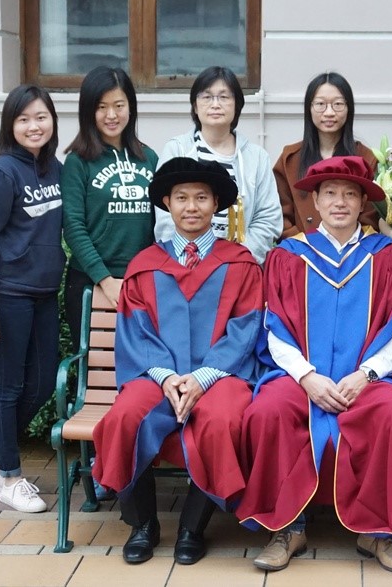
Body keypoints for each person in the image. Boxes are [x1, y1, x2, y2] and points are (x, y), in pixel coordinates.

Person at [236, 156, 392, 574]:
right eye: (330, 194)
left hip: (366, 377)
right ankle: (286, 528)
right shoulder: (288, 256)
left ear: (363, 204)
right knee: (267, 411)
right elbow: (274, 328)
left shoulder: (389, 258)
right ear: (315, 202)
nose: (340, 202)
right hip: (300, 376)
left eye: (350, 194)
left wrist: (367, 375)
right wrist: (307, 377)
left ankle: (380, 532)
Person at [92, 157, 263, 564]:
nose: (191, 207)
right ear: (166, 202)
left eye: (201, 197)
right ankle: (143, 525)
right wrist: (168, 378)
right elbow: (136, 330)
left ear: (216, 203)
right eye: (182, 197)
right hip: (157, 376)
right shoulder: (144, 264)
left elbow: (245, 330)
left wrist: (202, 378)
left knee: (221, 420)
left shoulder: (239, 263)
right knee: (124, 417)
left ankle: (192, 527)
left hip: (221, 376)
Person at [0, 84, 65, 513]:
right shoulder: (2, 172)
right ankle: (8, 476)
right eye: (23, 118)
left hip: (44, 293)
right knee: (8, 388)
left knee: (43, 383)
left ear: (52, 121)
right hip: (9, 294)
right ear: (11, 124)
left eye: (41, 117)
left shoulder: (54, 168)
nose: (33, 125)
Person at [60, 66, 158, 350]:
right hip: (90, 284)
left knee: (141, 366)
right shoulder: (78, 162)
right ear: (88, 111)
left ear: (131, 107)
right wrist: (104, 278)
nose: (111, 115)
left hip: (140, 282)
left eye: (119, 105)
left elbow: (160, 223)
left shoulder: (148, 158)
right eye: (101, 107)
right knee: (97, 371)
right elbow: (74, 227)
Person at [272, 72, 392, 255]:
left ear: (349, 108)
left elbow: (372, 214)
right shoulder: (291, 159)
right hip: (303, 256)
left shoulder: (366, 157)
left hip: (353, 257)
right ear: (309, 108)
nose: (329, 112)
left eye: (338, 104)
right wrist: (304, 248)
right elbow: (280, 215)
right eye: (320, 104)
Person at [156, 66, 280, 263]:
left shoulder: (256, 157)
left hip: (238, 268)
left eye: (224, 97)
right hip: (184, 264)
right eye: (207, 97)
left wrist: (234, 260)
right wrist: (191, 259)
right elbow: (165, 217)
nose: (215, 104)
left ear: (237, 105)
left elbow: (267, 220)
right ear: (195, 106)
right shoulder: (177, 150)